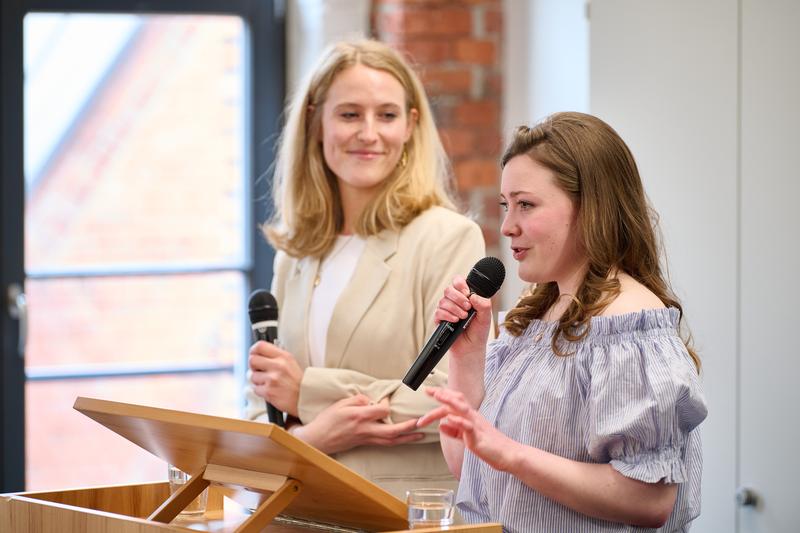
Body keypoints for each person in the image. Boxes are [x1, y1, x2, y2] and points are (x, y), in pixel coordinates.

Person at [418, 112, 707, 532]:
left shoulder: (629, 324)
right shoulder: (537, 315)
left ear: (592, 207)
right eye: (505, 205)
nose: (507, 226)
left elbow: (650, 498)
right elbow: (469, 466)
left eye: (526, 205)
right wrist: (467, 356)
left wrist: (512, 454)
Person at [243, 39, 485, 498]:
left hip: (402, 508)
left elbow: (452, 394)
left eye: (387, 115)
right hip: (299, 503)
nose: (368, 133)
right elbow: (263, 395)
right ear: (317, 121)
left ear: (411, 125)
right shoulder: (295, 253)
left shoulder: (447, 239)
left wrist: (308, 393)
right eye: (350, 114)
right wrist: (314, 437)